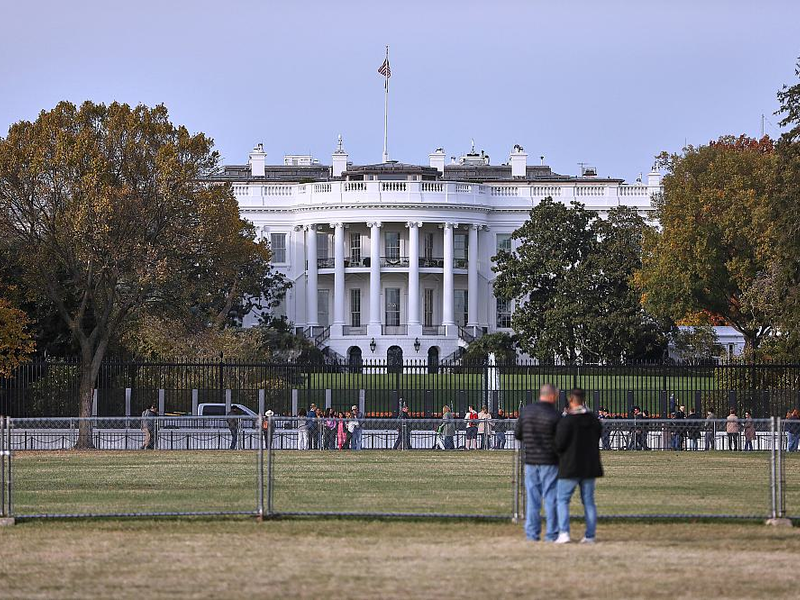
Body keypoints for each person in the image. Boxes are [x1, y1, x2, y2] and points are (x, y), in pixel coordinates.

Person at [554, 388, 603, 544]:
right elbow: (598, 436)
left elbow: (559, 444)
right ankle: (590, 535)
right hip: (589, 465)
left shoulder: (567, 420)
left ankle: (564, 533)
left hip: (570, 464)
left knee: (562, 500)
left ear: (571, 400)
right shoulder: (593, 419)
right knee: (588, 501)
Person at [514, 383, 560, 542]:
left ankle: (532, 534)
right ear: (552, 396)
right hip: (550, 460)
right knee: (551, 498)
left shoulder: (527, 411)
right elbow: (561, 440)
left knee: (532, 500)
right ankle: (552, 534)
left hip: (531, 460)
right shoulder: (555, 415)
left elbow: (518, 434)